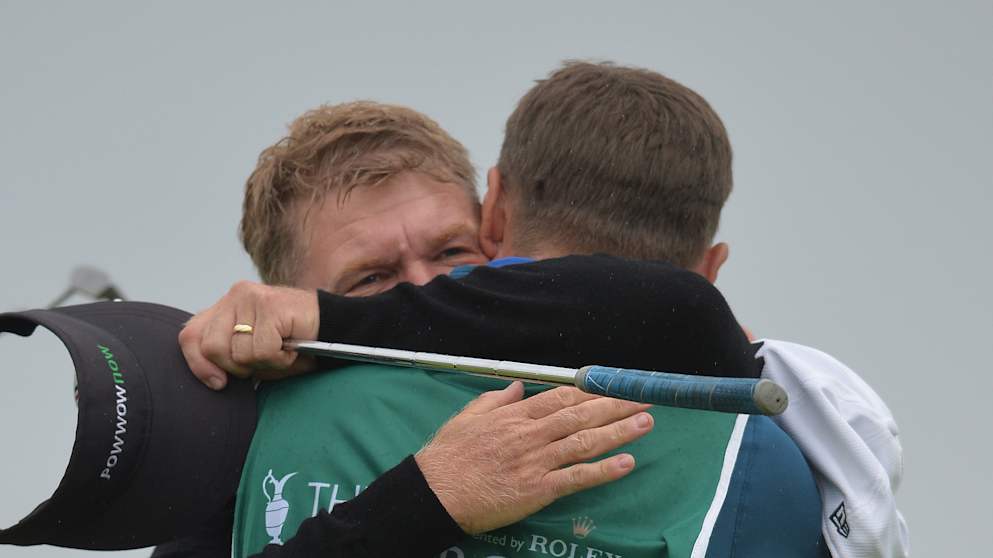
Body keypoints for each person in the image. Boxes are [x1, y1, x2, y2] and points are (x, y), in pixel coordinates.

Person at [177, 64, 846, 557]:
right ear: (286, 306)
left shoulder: (700, 398)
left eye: (451, 255)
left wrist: (344, 321)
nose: (424, 289)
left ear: (492, 226)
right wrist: (428, 499)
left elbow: (665, 302)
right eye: (371, 278)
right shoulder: (244, 443)